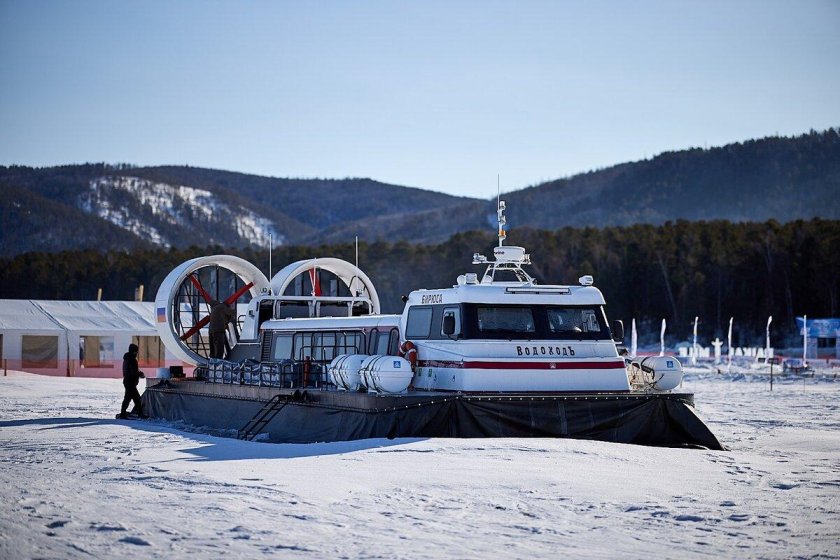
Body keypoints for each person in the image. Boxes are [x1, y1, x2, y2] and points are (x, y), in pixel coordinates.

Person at [118, 343, 147, 419]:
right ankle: (123, 414)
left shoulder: (127, 358)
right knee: (132, 398)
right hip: (130, 382)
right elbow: (133, 371)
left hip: (128, 382)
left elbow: (132, 371)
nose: (136, 353)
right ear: (133, 352)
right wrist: (140, 374)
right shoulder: (132, 360)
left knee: (134, 398)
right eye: (136, 352)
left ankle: (126, 413)